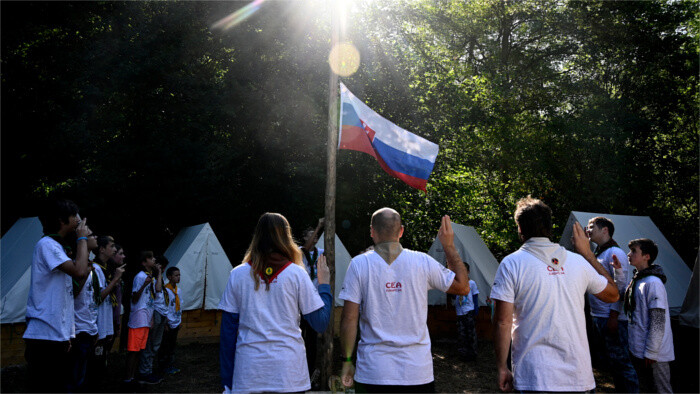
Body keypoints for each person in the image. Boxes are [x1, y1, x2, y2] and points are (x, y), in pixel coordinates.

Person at [491, 197, 622, 392]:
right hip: (578, 378)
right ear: (550, 226)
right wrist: (588, 254)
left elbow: (503, 321)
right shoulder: (578, 261)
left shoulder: (512, 263)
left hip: (534, 376)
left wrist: (502, 367)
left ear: (520, 227)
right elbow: (613, 294)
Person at [339, 209, 470, 393]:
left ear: (372, 231)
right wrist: (448, 246)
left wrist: (347, 361)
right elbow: (463, 287)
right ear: (401, 231)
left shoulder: (359, 264)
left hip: (374, 372)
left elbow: (349, 319)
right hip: (416, 372)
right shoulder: (422, 261)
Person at [219, 212, 332, 393]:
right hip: (288, 374)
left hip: (249, 373)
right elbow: (320, 323)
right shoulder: (297, 274)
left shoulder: (238, 274)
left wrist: (227, 380)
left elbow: (227, 333)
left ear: (257, 236)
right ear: (286, 237)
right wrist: (324, 285)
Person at [24, 199, 92, 392]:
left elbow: (69, 294)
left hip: (56, 334)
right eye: (74, 216)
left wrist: (67, 335)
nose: (79, 220)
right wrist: (82, 239)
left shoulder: (57, 247)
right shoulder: (47, 245)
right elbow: (79, 271)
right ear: (62, 220)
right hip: (43, 335)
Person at [586, 217, 639, 392]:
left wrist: (614, 316)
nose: (588, 229)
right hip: (598, 315)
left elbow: (621, 288)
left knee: (621, 362)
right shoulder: (599, 252)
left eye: (592, 226)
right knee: (613, 363)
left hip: (611, 318)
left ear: (605, 230)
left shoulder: (615, 253)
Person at [623, 238, 674, 393]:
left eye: (634, 251)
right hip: (639, 349)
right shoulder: (638, 279)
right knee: (645, 388)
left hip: (655, 354)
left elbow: (658, 319)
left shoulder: (653, 282)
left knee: (661, 389)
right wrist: (618, 272)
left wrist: (651, 351)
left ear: (647, 256)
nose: (629, 254)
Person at [86, 235, 124, 391]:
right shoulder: (95, 269)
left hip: (105, 323)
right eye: (112, 246)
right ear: (102, 249)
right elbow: (98, 298)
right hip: (98, 325)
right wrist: (115, 280)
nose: (114, 249)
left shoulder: (106, 269)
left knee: (101, 363)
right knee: (94, 366)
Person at [68, 233, 100, 391]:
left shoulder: (93, 268)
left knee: (83, 374)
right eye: (91, 235)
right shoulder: (75, 267)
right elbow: (72, 295)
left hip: (90, 327)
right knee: (74, 375)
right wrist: (85, 273)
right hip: (78, 329)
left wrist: (95, 327)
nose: (96, 237)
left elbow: (93, 300)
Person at [124, 251, 160, 386]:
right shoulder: (140, 277)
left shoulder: (151, 277)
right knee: (133, 351)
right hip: (138, 317)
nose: (154, 259)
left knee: (139, 350)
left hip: (146, 318)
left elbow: (154, 296)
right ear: (144, 263)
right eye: (151, 258)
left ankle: (134, 377)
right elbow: (134, 298)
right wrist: (144, 284)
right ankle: (128, 379)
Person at [299, 218, 324, 386]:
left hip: (315, 302)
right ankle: (298, 370)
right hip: (301, 302)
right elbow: (307, 247)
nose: (314, 238)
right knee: (299, 336)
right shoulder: (301, 251)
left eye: (315, 236)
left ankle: (309, 372)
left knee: (312, 340)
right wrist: (318, 226)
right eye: (310, 236)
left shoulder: (321, 252)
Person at [138, 256, 169, 382]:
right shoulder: (151, 278)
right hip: (154, 312)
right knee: (150, 344)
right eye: (159, 265)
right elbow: (157, 290)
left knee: (155, 344)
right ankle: (144, 372)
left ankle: (149, 370)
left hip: (162, 313)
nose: (160, 268)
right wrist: (159, 272)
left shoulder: (159, 278)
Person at [158, 266, 183, 375]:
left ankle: (170, 365)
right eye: (176, 275)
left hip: (176, 322)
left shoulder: (178, 291)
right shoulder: (166, 290)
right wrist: (165, 323)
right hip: (168, 323)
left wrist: (179, 319)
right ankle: (163, 366)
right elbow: (164, 307)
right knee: (165, 346)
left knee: (172, 345)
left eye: (179, 275)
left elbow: (180, 306)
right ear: (169, 277)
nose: (178, 277)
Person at [454, 262, 479, 362]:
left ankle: (472, 354)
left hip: (469, 311)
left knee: (471, 333)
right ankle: (463, 354)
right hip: (460, 312)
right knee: (461, 334)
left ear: (468, 272)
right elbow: (453, 296)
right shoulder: (456, 284)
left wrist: (476, 310)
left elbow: (475, 296)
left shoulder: (471, 283)